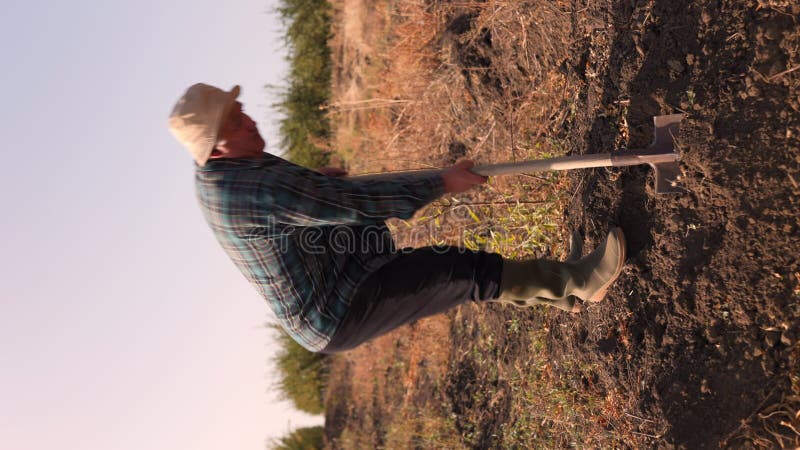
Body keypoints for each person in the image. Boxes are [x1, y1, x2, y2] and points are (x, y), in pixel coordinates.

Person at [168, 83, 626, 353]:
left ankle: (558, 291)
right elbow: (347, 203)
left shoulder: (225, 168)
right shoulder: (244, 190)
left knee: (374, 224)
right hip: (334, 310)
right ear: (215, 147)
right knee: (456, 270)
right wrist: (442, 184)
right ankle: (578, 283)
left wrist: (314, 185)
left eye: (239, 109)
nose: (247, 120)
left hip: (332, 265)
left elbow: (296, 203)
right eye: (233, 122)